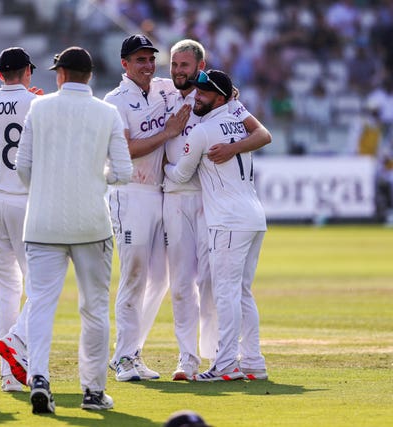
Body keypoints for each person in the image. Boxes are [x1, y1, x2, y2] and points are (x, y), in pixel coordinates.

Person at [16, 46, 132, 413]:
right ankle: (93, 392)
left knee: (39, 305)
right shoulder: (107, 112)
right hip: (91, 224)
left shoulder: (39, 107)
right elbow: (124, 172)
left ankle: (38, 378)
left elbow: (23, 167)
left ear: (61, 74)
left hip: (42, 222)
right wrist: (95, 179)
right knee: (94, 309)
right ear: (90, 76)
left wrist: (48, 186)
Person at [163, 39, 272, 381]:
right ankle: (253, 361)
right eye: (197, 90)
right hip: (254, 217)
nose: (197, 96)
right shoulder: (238, 122)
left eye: (204, 93)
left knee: (225, 292)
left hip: (227, 220)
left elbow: (181, 173)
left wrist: (160, 170)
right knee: (240, 291)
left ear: (221, 98)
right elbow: (260, 134)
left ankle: (226, 364)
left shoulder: (205, 130)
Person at [103, 34, 183, 382]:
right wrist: (167, 133)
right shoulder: (114, 99)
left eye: (151, 59)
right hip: (130, 191)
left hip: (159, 192)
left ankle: (132, 351)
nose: (148, 66)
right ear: (125, 64)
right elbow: (126, 149)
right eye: (140, 60)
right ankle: (122, 357)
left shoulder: (164, 88)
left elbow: (192, 81)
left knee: (160, 279)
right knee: (134, 272)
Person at [0, 47, 41, 392]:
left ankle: (8, 374)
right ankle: (21, 350)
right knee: (40, 285)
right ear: (28, 72)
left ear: (1, 74)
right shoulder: (36, 103)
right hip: (24, 201)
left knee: (5, 290)